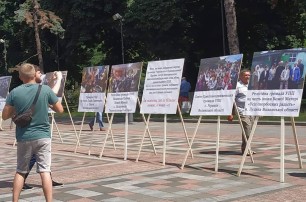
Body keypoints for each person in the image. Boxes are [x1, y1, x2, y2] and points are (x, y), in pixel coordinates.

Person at [2, 63, 64, 202]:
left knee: (21, 171)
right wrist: (47, 104)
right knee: (45, 171)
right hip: (43, 136)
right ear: (34, 74)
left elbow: (5, 116)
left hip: (24, 137)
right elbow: (60, 110)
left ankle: (15, 200)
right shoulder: (46, 90)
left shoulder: (15, 92)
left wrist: (15, 110)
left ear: (20, 76)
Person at [22, 65, 63, 190]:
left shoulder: (24, 89)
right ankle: (22, 179)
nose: (41, 76)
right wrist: (60, 79)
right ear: (34, 74)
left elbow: (46, 91)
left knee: (40, 157)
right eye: (39, 73)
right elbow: (53, 93)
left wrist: (51, 81)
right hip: (38, 131)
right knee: (37, 158)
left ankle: (46, 179)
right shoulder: (39, 88)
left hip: (29, 131)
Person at [227, 69, 256, 155]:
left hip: (251, 111)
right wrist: (230, 113)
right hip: (241, 110)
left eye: (249, 75)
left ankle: (246, 148)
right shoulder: (237, 86)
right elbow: (231, 99)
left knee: (250, 130)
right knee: (247, 128)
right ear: (241, 76)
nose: (248, 77)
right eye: (246, 75)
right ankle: (246, 149)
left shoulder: (251, 85)